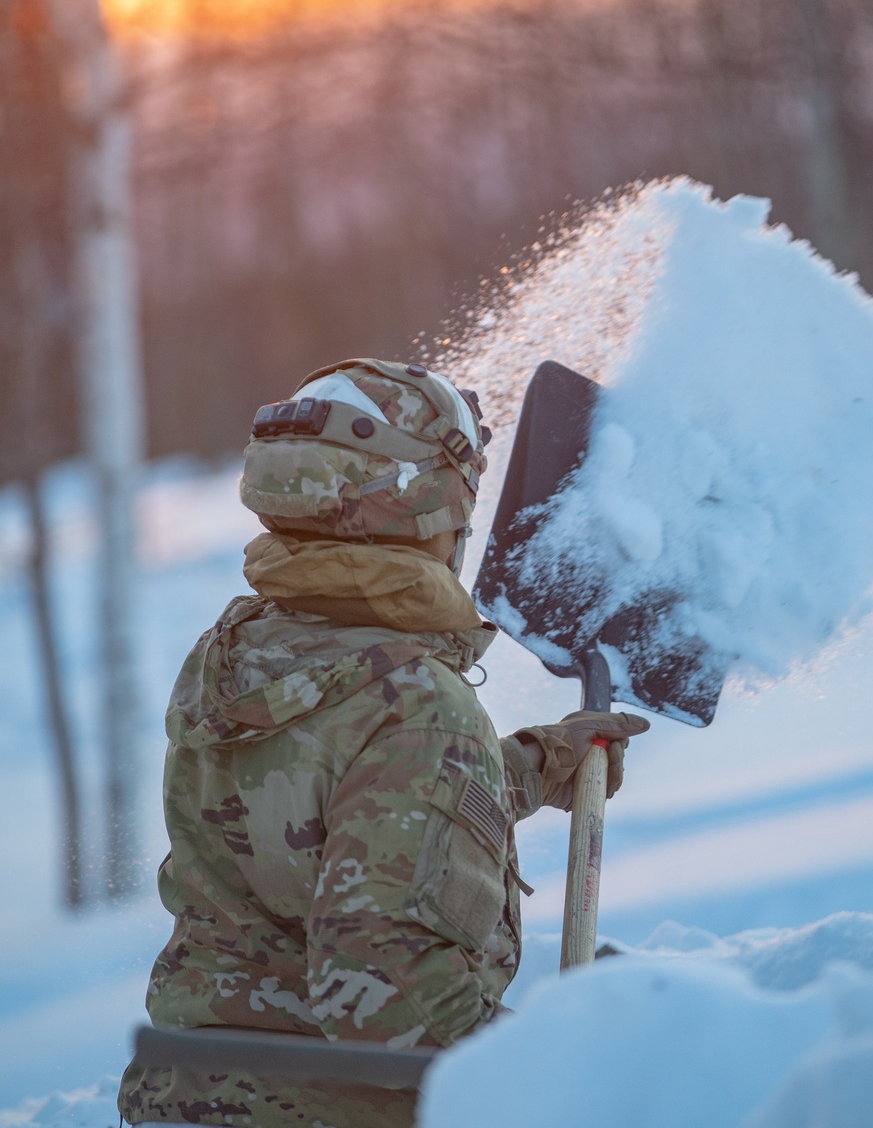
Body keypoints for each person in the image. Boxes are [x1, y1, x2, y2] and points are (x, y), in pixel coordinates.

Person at [119, 359, 648, 1128]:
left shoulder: (234, 652)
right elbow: (389, 999)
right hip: (334, 1108)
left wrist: (530, 766)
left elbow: (323, 805)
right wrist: (552, 1066)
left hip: (187, 1095)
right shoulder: (421, 707)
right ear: (426, 507)